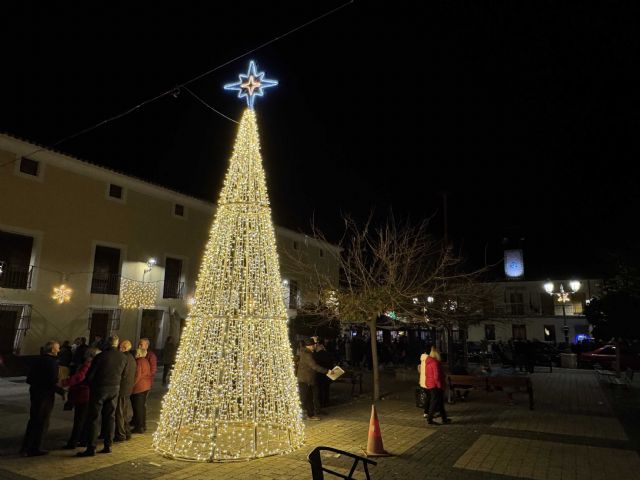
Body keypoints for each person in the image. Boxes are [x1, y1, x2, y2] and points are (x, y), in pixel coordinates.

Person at [76, 336, 127, 457]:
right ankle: (108, 445)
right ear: (117, 343)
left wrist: (89, 384)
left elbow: (90, 375)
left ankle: (91, 447)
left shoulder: (100, 356)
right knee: (110, 417)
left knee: (93, 418)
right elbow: (124, 374)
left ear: (107, 344)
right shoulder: (123, 357)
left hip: (99, 389)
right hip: (114, 388)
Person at [20, 340, 63, 456]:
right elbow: (52, 381)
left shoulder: (37, 360)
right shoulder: (52, 363)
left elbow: (29, 378)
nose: (59, 350)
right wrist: (62, 391)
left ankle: (26, 447)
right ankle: (36, 447)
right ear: (53, 349)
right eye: (58, 348)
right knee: (42, 421)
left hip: (35, 392)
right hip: (45, 395)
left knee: (33, 419)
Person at [61, 347, 100, 449]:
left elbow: (79, 377)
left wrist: (65, 382)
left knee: (79, 420)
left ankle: (73, 442)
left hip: (83, 394)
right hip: (89, 394)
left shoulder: (87, 365)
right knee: (85, 419)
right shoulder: (96, 366)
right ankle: (83, 440)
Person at [297, 338, 331, 421]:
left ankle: (310, 415)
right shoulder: (307, 354)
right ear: (311, 346)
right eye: (314, 345)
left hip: (306, 379)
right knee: (303, 399)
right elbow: (314, 366)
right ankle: (297, 416)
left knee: (308, 398)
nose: (315, 346)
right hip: (305, 379)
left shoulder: (306, 352)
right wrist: (327, 371)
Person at [114, 340, 136, 442]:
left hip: (122, 389)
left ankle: (120, 434)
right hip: (128, 388)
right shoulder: (131, 358)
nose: (119, 348)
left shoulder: (124, 358)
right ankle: (127, 432)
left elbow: (122, 373)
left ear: (124, 348)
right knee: (124, 412)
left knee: (120, 412)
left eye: (121, 346)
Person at [424, 346, 450, 425]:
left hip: (431, 384)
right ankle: (430, 419)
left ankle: (444, 418)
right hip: (435, 385)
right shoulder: (435, 363)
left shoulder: (428, 362)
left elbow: (427, 374)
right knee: (435, 402)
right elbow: (437, 376)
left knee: (439, 402)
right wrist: (440, 386)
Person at [131, 348, 152, 434]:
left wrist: (132, 385)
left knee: (138, 408)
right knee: (142, 407)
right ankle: (142, 425)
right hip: (146, 386)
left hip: (139, 387)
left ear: (139, 354)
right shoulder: (145, 361)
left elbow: (137, 375)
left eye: (136, 353)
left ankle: (139, 427)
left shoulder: (139, 362)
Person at [314, 342, 335, 409]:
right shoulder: (328, 354)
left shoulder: (316, 355)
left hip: (319, 374)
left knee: (320, 389)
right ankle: (326, 402)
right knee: (326, 389)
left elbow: (316, 366)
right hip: (328, 374)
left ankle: (321, 402)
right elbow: (332, 363)